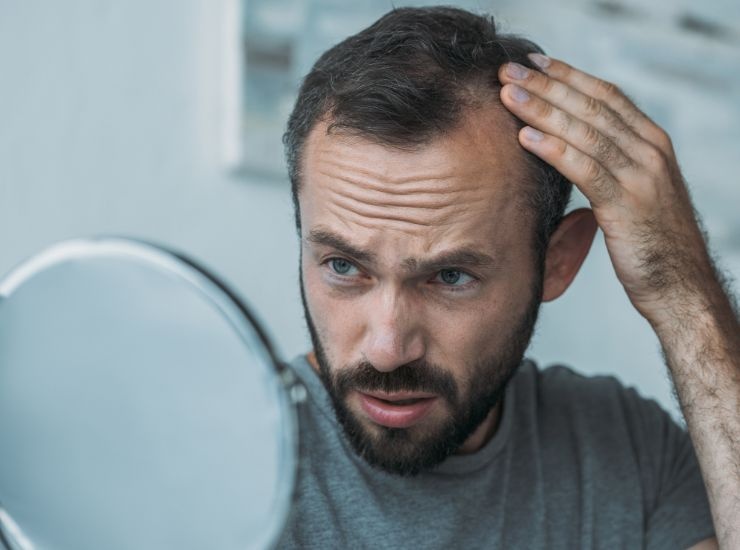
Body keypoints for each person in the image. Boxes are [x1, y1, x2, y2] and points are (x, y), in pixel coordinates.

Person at [276, 6, 738, 549]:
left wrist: (683, 293)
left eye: (450, 276)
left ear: (558, 261)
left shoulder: (627, 452)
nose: (387, 348)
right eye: (344, 267)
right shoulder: (216, 457)